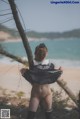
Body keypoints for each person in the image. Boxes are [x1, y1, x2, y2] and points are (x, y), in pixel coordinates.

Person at [20, 43, 62, 119]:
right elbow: (33, 76)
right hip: (36, 95)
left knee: (48, 115)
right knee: (31, 116)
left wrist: (59, 71)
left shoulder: (50, 65)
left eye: (42, 53)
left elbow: (50, 74)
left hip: (47, 94)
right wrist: (59, 72)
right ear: (46, 53)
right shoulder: (33, 64)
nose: (41, 54)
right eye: (40, 53)